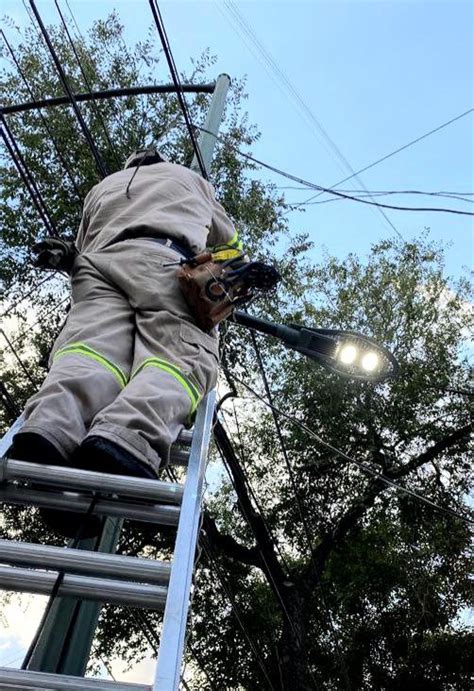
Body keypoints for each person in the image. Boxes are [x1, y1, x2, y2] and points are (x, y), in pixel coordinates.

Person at [8, 148, 243, 536]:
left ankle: (50, 427)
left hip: (96, 269)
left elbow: (83, 245)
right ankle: (126, 437)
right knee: (177, 360)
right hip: (166, 265)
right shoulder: (193, 182)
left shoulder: (102, 188)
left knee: (91, 354)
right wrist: (215, 261)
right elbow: (229, 245)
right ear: (161, 161)